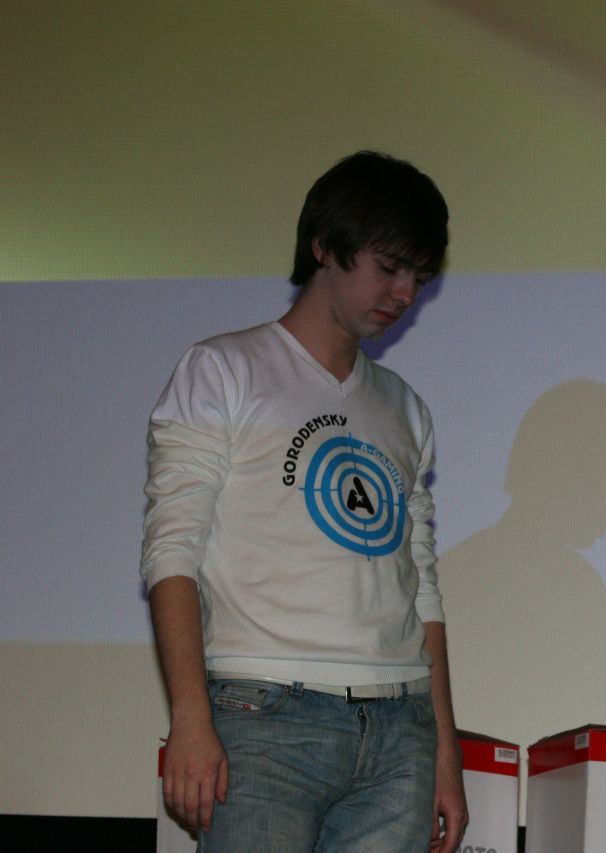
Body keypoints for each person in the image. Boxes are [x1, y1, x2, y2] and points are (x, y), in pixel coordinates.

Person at [140, 151, 468, 852]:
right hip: (264, 714)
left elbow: (421, 587)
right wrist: (190, 717)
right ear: (324, 245)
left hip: (401, 728)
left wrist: (446, 751)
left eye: (420, 276)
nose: (404, 292)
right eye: (389, 266)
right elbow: (173, 550)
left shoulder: (405, 407)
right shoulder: (224, 369)